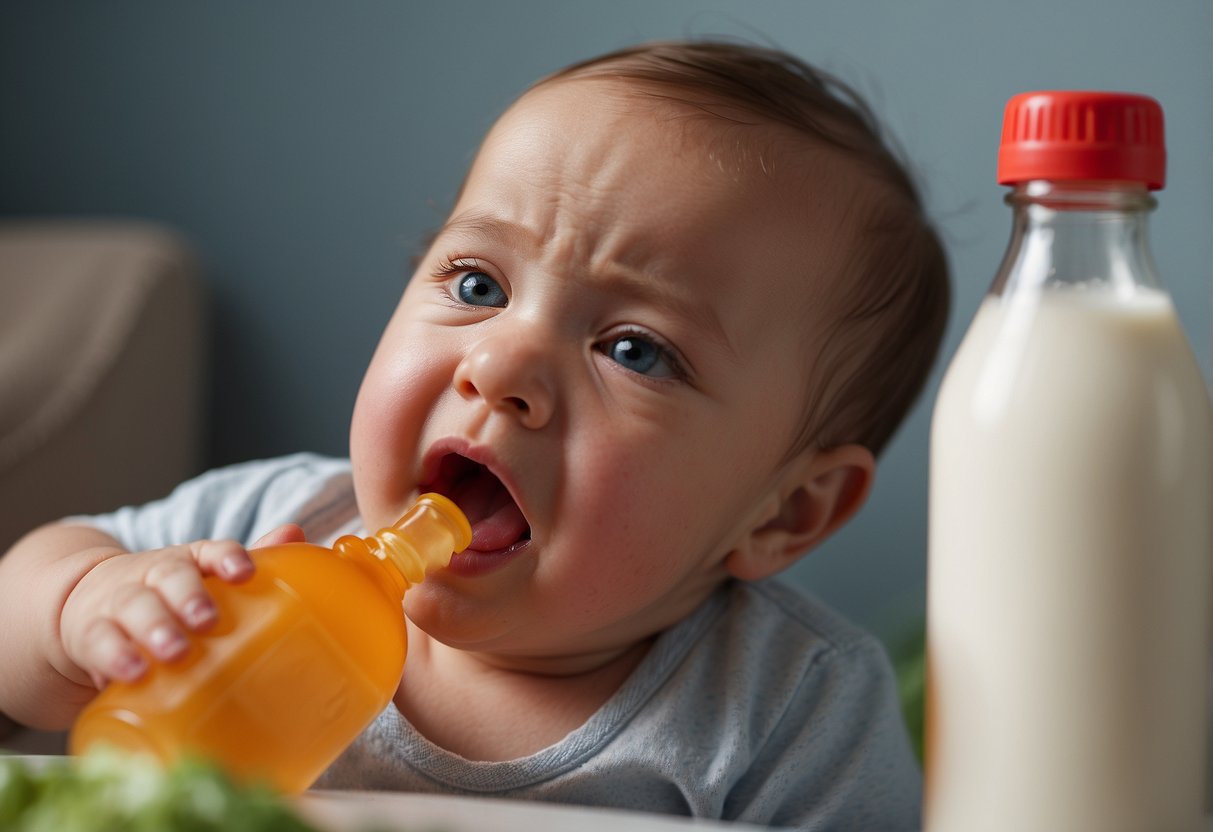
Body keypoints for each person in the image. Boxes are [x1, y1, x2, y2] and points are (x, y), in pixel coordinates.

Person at [0, 40, 949, 829]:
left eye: (635, 350)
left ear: (784, 512)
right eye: (477, 286)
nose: (497, 367)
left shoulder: (788, 709)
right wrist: (82, 608)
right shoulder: (256, 532)